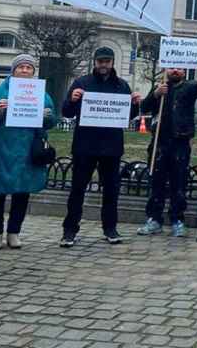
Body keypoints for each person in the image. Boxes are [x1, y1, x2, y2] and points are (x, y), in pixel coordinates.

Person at [59, 47, 141, 247]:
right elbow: (67, 112)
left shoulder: (122, 86)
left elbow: (128, 116)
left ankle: (110, 228)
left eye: (107, 61)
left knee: (111, 190)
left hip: (111, 147)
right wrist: (72, 99)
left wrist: (136, 104)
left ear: (112, 62)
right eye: (100, 61)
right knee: (77, 189)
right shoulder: (81, 83)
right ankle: (69, 230)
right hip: (85, 145)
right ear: (95, 62)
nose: (104, 65)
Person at [0, 54, 58, 250]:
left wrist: (47, 116)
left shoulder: (41, 94)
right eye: (20, 67)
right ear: (13, 70)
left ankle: (14, 232)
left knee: (22, 193)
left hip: (27, 151)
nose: (24, 70)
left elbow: (52, 121)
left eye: (28, 68)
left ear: (33, 72)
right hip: (1, 150)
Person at [137, 60, 197, 238]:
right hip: (160, 143)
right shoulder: (160, 87)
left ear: (184, 71)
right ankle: (154, 218)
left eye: (179, 68)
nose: (175, 70)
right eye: (172, 67)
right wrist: (155, 95)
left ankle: (177, 219)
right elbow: (144, 108)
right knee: (157, 183)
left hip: (181, 141)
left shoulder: (189, 88)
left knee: (179, 183)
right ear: (166, 69)